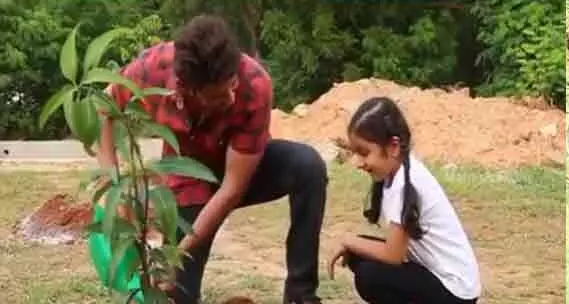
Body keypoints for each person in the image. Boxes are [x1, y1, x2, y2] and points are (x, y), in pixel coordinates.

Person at [96, 15, 328, 304]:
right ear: (187, 88)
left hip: (242, 168)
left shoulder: (254, 84)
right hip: (187, 178)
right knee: (178, 293)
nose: (231, 98)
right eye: (219, 95)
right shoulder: (153, 69)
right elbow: (105, 104)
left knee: (308, 166)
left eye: (232, 85)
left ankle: (300, 295)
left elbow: (231, 190)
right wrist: (112, 181)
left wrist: (178, 254)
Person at [328, 97, 481, 303]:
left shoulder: (407, 183)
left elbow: (393, 255)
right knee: (359, 255)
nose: (359, 163)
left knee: (369, 276)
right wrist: (353, 244)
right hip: (441, 280)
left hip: (455, 293)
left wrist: (347, 240)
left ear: (393, 146)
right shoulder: (399, 171)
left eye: (364, 153)